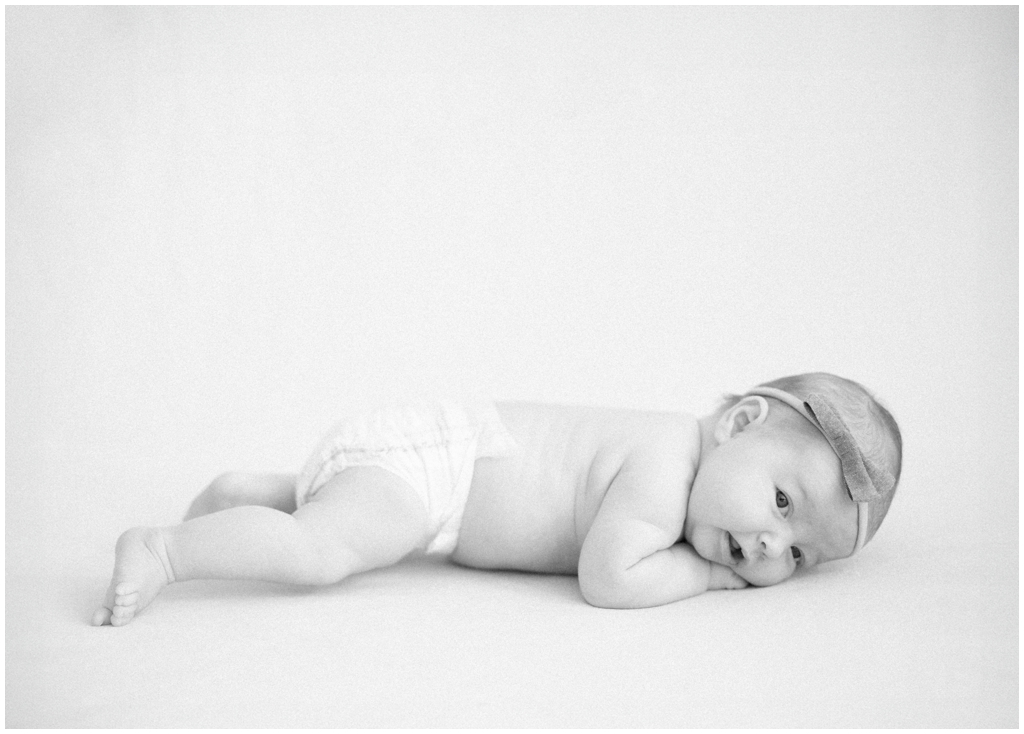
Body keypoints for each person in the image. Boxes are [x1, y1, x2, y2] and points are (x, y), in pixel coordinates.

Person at [92, 372, 902, 626]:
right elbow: (610, 578)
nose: (767, 548)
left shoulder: (680, 465)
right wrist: (709, 578)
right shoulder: (665, 461)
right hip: (436, 470)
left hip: (433, 469)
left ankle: (250, 495)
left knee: (337, 514)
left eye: (797, 556)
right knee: (322, 554)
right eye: (784, 505)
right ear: (740, 423)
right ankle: (166, 549)